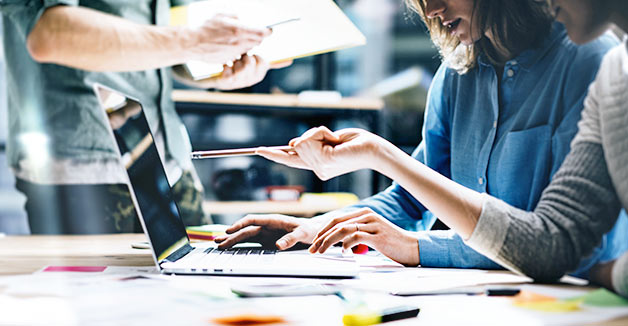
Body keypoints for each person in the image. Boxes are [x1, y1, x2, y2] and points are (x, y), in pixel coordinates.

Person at [224, 0, 628, 296]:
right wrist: (317, 229)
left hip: (571, 299)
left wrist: (416, 247)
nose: (431, 9)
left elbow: (565, 244)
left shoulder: (594, 60)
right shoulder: (456, 74)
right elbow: (413, 200)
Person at [1, 1, 289, 234]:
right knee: (102, 303)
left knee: (203, 289)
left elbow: (168, 47)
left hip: (171, 159)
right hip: (85, 168)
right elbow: (50, 34)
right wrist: (195, 40)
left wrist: (217, 72)